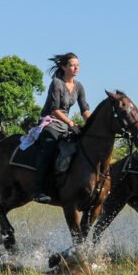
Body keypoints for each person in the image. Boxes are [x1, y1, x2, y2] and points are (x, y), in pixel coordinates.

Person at [32, 52, 91, 203]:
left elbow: (84, 110)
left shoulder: (79, 86)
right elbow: (55, 110)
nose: (76, 68)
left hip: (66, 125)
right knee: (49, 147)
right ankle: (38, 190)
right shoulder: (56, 83)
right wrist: (71, 123)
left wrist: (91, 123)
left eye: (77, 65)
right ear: (64, 67)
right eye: (72, 65)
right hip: (51, 121)